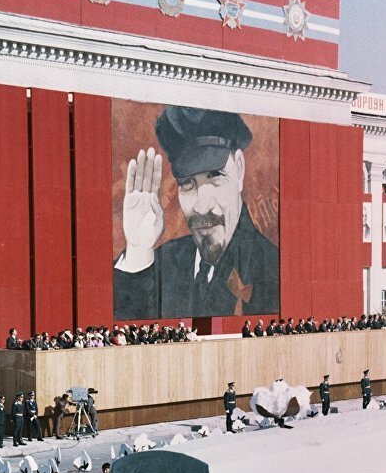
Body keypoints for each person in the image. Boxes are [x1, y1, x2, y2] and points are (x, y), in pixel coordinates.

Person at [114, 106, 279, 319]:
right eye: (188, 184)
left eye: (215, 176)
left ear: (239, 168)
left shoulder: (272, 271)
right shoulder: (160, 263)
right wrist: (138, 250)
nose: (202, 206)